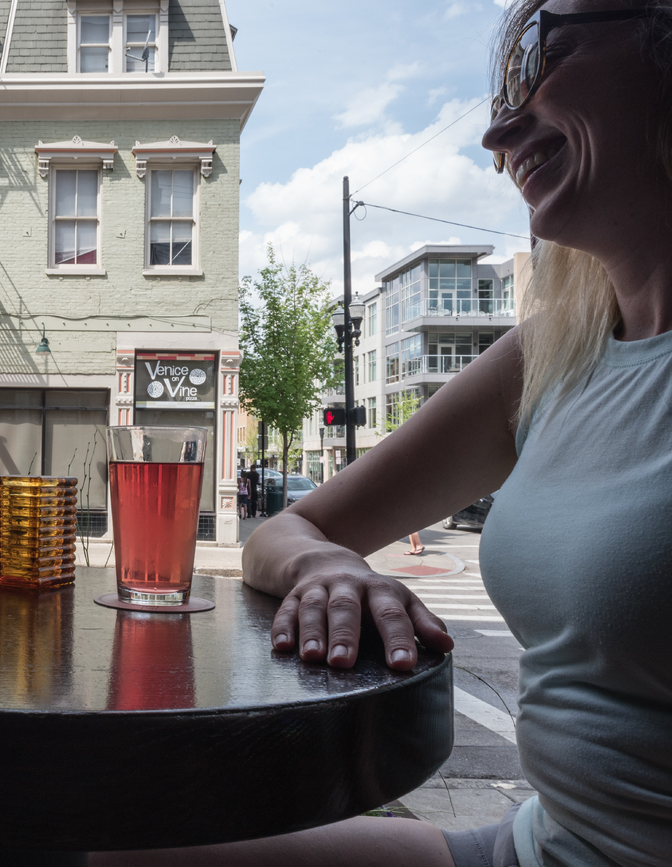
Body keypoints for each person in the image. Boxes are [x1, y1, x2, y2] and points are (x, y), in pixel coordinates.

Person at [97, 0, 672, 865]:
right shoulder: (554, 353)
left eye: (547, 60)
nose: (498, 132)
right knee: (91, 844)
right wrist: (324, 561)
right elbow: (286, 532)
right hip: (535, 847)